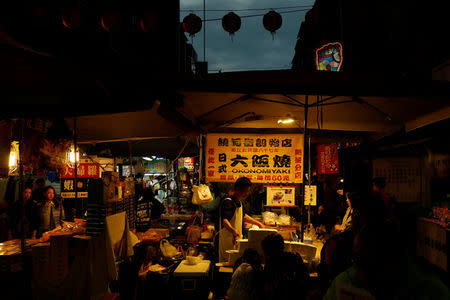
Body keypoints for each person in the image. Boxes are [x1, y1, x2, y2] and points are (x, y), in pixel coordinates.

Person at [324, 222, 449, 300]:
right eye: (357, 261)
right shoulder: (345, 283)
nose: (364, 273)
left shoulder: (429, 291)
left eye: (373, 265)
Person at [219, 177, 265, 262]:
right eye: (245, 191)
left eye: (248, 191)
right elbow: (225, 221)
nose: (247, 193)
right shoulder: (228, 202)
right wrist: (233, 231)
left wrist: (259, 223)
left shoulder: (239, 202)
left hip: (236, 238)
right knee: (227, 261)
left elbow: (243, 216)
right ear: (237, 189)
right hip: (228, 239)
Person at [261, 233, 309, 300]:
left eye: (264, 252)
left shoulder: (271, 264)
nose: (263, 255)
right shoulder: (295, 258)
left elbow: (269, 289)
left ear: (269, 252)